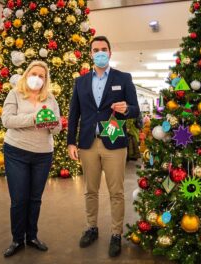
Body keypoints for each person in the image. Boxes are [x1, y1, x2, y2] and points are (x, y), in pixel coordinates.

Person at [67, 36, 140, 257]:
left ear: (110, 52)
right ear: (90, 53)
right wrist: (71, 141)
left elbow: (136, 110)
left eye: (104, 49)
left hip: (114, 143)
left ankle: (116, 233)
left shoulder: (123, 78)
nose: (100, 53)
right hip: (88, 143)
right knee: (90, 190)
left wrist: (126, 108)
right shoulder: (80, 82)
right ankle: (92, 228)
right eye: (95, 49)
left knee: (116, 191)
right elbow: (74, 115)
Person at [1, 60, 61, 257]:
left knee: (35, 199)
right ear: (27, 75)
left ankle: (32, 236)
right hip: (16, 152)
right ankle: (17, 239)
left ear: (46, 80)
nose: (37, 78)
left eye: (42, 76)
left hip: (43, 154)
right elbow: (7, 120)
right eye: (34, 74)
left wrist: (50, 122)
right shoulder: (15, 94)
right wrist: (34, 119)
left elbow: (57, 128)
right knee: (19, 199)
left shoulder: (50, 99)